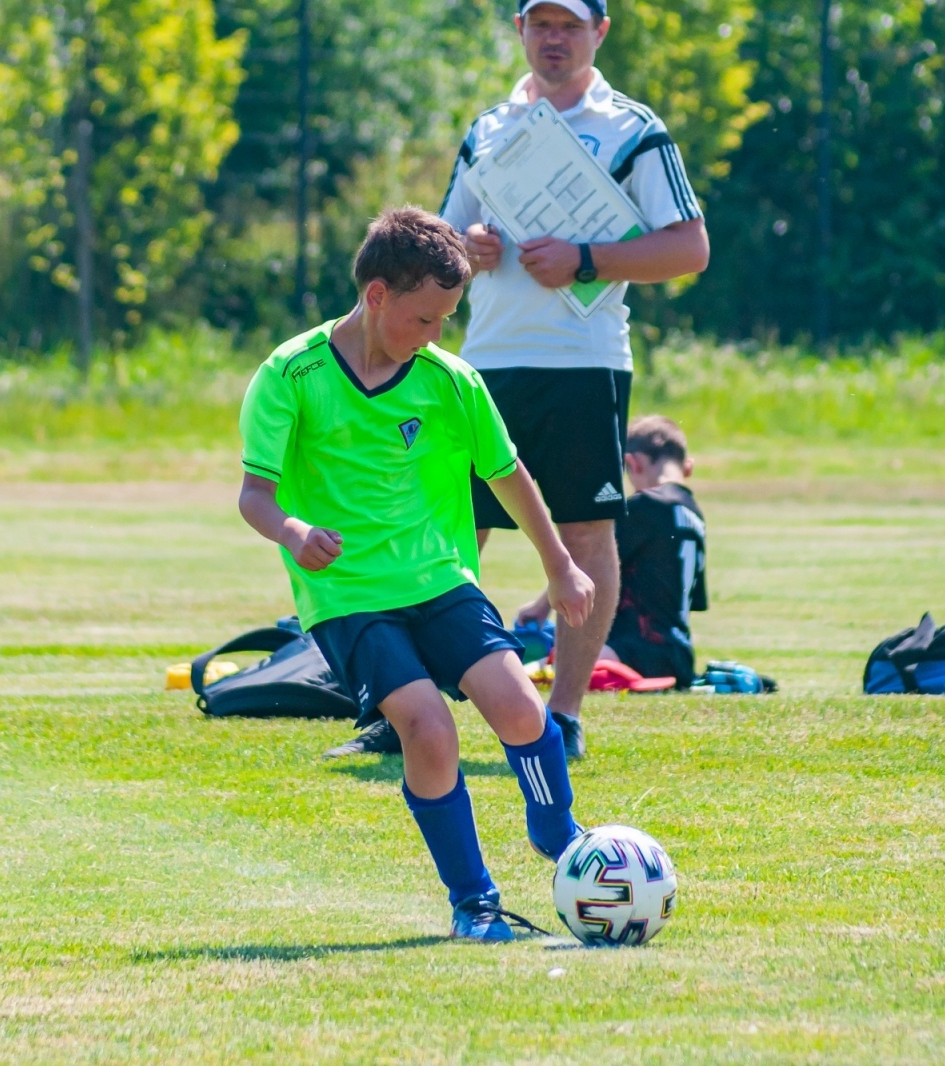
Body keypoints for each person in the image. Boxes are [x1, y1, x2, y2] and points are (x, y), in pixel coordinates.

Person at [238, 207, 595, 939]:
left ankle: (561, 841)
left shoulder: (450, 382)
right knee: (428, 731)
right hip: (349, 596)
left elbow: (508, 474)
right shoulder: (290, 375)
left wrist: (559, 566)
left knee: (521, 708)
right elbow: (255, 495)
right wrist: (292, 529)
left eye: (448, 320)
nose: (437, 336)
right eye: (426, 318)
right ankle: (475, 903)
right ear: (376, 296)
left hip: (440, 579)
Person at [437, 0, 710, 759]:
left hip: (584, 364)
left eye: (570, 24)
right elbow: (441, 240)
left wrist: (587, 260)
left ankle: (562, 718)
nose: (554, 38)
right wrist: (468, 247)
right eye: (540, 23)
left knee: (587, 535)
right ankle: (417, 703)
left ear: (600, 33)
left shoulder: (632, 128)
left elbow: (689, 246)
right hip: (485, 362)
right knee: (462, 535)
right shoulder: (489, 127)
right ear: (519, 30)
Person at [517, 415, 707, 689]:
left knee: (526, 674)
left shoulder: (644, 507)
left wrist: (540, 607)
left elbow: (589, 564)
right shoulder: (695, 517)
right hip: (679, 658)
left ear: (632, 463)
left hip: (631, 652)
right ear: (687, 468)